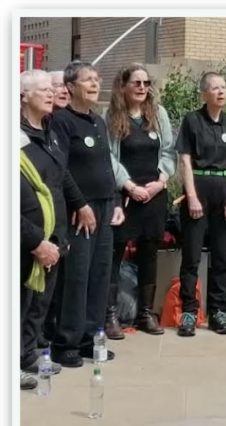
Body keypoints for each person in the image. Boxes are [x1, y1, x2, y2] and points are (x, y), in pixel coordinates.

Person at [48, 60, 121, 368]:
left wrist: (116, 201)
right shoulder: (62, 122)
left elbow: (108, 165)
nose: (95, 84)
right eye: (87, 80)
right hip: (81, 210)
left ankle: (90, 339)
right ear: (70, 87)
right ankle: (66, 343)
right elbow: (61, 169)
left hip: (105, 206)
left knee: (99, 275)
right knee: (76, 277)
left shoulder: (97, 121)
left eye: (96, 78)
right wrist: (80, 204)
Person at [104, 63, 175, 338]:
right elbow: (109, 156)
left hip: (154, 194)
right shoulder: (111, 116)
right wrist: (129, 186)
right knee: (115, 254)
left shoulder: (159, 114)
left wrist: (160, 181)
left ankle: (146, 313)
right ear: (123, 86)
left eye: (146, 83)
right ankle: (110, 314)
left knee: (149, 253)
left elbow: (169, 151)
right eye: (137, 83)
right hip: (125, 196)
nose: (142, 88)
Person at [20, 69, 80, 386]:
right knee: (19, 303)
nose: (50, 93)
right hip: (25, 241)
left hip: (53, 236)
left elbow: (61, 176)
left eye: (50, 88)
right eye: (42, 89)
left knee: (39, 304)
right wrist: (34, 241)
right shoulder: (14, 139)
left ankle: (27, 354)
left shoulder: (50, 131)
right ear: (22, 97)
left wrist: (81, 204)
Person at [175, 72, 226, 336]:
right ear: (204, 93)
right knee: (192, 256)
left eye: (224, 87)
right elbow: (185, 160)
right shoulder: (192, 121)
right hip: (200, 188)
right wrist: (191, 196)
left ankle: (218, 310)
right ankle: (189, 312)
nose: (221, 92)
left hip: (225, 190)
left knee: (222, 256)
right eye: (215, 88)